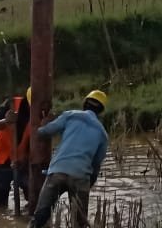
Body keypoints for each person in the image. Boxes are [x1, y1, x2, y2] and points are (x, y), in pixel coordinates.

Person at [30, 89, 110, 228]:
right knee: (79, 223)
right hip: (81, 177)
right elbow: (96, 165)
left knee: (40, 217)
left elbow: (45, 132)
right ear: (101, 111)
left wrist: (43, 124)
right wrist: (89, 182)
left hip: (57, 171)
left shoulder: (71, 115)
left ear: (84, 104)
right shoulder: (102, 134)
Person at [0, 87, 31, 208]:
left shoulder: (41, 113)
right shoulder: (11, 103)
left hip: (23, 162)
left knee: (34, 200)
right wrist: (5, 121)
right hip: (2, 160)